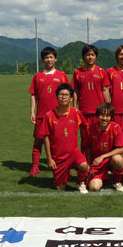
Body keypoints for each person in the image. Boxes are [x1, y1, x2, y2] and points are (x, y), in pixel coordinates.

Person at [39, 83, 89, 193]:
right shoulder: (49, 115)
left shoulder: (76, 113)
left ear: (71, 98)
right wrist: (49, 159)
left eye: (66, 95)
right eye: (61, 94)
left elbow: (86, 128)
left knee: (83, 165)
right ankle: (64, 174)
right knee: (60, 188)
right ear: (57, 97)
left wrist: (85, 151)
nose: (63, 97)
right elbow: (46, 137)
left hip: (73, 152)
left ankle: (80, 182)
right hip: (58, 157)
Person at [28, 47, 70, 177]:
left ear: (55, 59)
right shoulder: (37, 76)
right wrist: (32, 112)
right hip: (41, 116)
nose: (49, 59)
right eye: (46, 57)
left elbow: (68, 95)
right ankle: (35, 167)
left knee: (59, 142)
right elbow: (33, 95)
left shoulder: (62, 76)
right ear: (43, 60)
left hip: (58, 116)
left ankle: (63, 166)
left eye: (51, 57)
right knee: (38, 142)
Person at [82, 102, 123, 192]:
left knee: (118, 159)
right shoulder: (90, 129)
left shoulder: (116, 128)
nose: (104, 118)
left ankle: (116, 182)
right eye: (102, 115)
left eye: (107, 116)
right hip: (97, 162)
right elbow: (87, 147)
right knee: (94, 187)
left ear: (111, 117)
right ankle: (104, 178)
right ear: (97, 115)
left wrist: (103, 156)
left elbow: (121, 148)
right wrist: (89, 164)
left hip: (110, 160)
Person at [71, 44, 111, 125]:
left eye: (92, 55)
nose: (90, 57)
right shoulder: (77, 72)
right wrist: (75, 109)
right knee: (84, 132)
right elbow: (76, 92)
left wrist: (108, 107)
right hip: (83, 111)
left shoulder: (101, 71)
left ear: (96, 57)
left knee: (99, 132)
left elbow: (105, 90)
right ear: (83, 56)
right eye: (87, 55)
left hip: (99, 111)